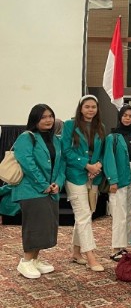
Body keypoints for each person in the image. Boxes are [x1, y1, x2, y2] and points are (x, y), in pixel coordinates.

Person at [13, 104, 64, 279]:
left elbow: (61, 164)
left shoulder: (56, 139)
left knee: (45, 226)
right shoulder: (26, 138)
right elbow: (27, 163)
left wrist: (58, 182)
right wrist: (43, 184)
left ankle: (34, 260)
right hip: (32, 190)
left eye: (50, 116)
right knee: (35, 226)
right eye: (43, 117)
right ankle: (25, 262)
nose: (48, 120)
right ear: (35, 119)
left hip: (50, 190)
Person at [61, 95, 107, 272]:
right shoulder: (69, 126)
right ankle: (90, 256)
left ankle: (75, 252)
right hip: (74, 175)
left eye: (93, 107)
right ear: (80, 108)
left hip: (93, 175)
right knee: (84, 215)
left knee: (85, 214)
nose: (90, 110)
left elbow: (103, 152)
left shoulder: (100, 127)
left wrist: (97, 166)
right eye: (87, 107)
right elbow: (66, 151)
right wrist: (86, 164)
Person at [103, 105, 131, 261]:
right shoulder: (113, 137)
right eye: (125, 115)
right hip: (119, 177)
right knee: (120, 214)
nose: (127, 118)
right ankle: (115, 248)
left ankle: (124, 246)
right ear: (120, 117)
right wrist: (112, 180)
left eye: (130, 116)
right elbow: (108, 159)